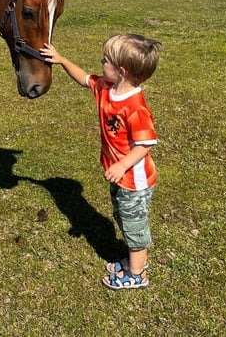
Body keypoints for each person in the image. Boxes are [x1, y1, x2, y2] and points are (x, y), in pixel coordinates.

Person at [41, 34, 162, 290]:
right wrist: (61, 60)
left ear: (121, 71)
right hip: (119, 177)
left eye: (105, 60)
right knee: (122, 218)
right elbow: (85, 78)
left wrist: (121, 165)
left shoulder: (135, 107)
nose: (100, 61)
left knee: (134, 226)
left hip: (134, 181)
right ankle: (133, 262)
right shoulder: (108, 88)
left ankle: (137, 273)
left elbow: (145, 144)